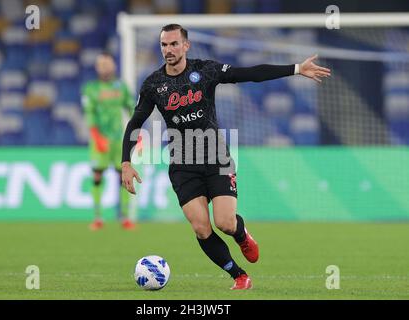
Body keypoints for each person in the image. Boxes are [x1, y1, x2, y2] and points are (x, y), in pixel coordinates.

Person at [121, 24, 331, 289]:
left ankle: (241, 235)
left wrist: (297, 69)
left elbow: (249, 74)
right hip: (182, 163)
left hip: (215, 156)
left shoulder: (205, 70)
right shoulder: (153, 83)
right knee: (200, 228)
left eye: (174, 44)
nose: (168, 50)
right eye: (164, 45)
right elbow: (135, 122)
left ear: (186, 45)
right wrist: (126, 162)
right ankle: (239, 276)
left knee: (225, 223)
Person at [81, 52, 139, 231]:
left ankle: (125, 217)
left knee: (124, 175)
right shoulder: (90, 88)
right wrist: (97, 137)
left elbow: (132, 109)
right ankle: (98, 217)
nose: (104, 67)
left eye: (107, 64)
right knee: (97, 175)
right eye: (101, 64)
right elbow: (89, 114)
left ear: (113, 66)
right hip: (100, 138)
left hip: (119, 139)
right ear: (97, 68)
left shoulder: (121, 87)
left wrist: (137, 132)